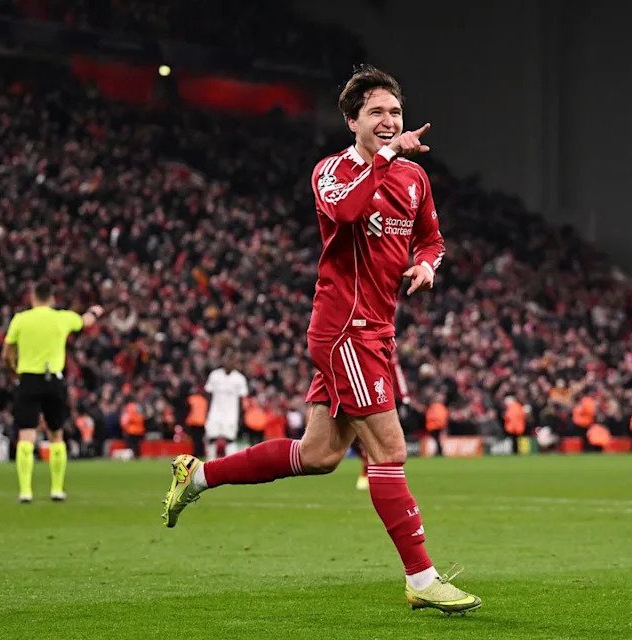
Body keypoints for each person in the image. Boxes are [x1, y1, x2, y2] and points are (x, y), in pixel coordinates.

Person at [161, 65, 480, 614]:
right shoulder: (331, 172)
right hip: (343, 331)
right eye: (377, 112)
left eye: (396, 113)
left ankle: (199, 476)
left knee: (320, 454)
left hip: (377, 330)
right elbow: (346, 210)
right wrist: (384, 157)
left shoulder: (414, 179)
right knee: (390, 450)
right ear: (352, 120)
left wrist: (428, 264)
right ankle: (423, 580)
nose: (389, 121)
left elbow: (432, 238)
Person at [2, 279, 103, 502]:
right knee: (56, 434)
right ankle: (57, 489)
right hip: (53, 381)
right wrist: (94, 311)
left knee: (26, 434)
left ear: (33, 298)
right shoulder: (62, 318)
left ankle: (25, 491)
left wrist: (13, 371)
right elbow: (85, 321)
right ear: (52, 299)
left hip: (27, 379)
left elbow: (6, 352)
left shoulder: (21, 319)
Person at [203, 355, 249, 458]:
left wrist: (241, 416)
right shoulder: (214, 375)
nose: (228, 362)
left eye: (231, 360)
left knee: (230, 440)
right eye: (226, 359)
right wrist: (207, 412)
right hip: (215, 412)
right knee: (211, 438)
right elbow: (209, 395)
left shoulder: (239, 378)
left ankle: (230, 466)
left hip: (231, 414)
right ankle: (210, 464)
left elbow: (241, 399)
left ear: (234, 363)